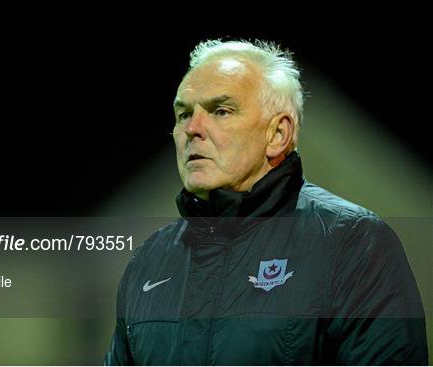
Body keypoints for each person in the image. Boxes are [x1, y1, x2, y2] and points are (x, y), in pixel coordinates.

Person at [104, 39, 428, 365]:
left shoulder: (352, 244)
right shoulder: (150, 261)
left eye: (221, 110)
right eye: (183, 113)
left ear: (277, 134)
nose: (193, 128)